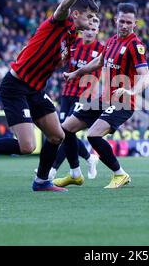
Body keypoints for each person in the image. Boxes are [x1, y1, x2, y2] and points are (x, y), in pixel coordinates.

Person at [0, 0, 101, 192]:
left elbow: (53, 61)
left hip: (36, 89)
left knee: (57, 135)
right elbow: (63, 6)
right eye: (89, 16)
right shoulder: (59, 22)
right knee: (27, 146)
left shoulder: (72, 37)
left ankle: (41, 181)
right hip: (15, 86)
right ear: (75, 14)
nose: (92, 20)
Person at [54, 2, 149, 189]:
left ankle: (120, 174)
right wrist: (75, 74)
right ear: (115, 20)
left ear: (135, 24)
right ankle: (75, 174)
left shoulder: (135, 45)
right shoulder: (112, 41)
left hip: (123, 102)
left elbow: (145, 76)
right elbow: (98, 62)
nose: (124, 25)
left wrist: (132, 91)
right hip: (104, 99)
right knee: (65, 129)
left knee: (93, 135)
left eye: (129, 23)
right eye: (121, 21)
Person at [37, 17, 103, 180]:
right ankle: (89, 158)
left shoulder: (102, 49)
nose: (90, 32)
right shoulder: (74, 45)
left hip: (85, 96)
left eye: (94, 29)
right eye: (88, 28)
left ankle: (53, 169)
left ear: (97, 31)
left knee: (66, 130)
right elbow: (61, 62)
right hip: (67, 93)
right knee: (63, 131)